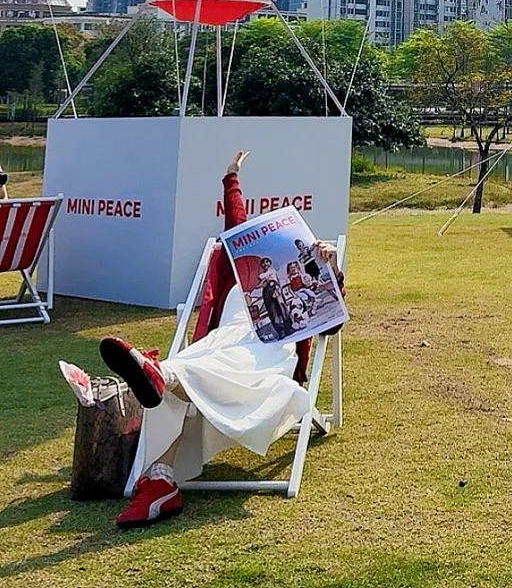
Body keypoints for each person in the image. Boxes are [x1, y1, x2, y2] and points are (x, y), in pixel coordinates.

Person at [90, 150, 344, 529]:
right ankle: (160, 483)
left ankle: (160, 381)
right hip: (222, 340)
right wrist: (231, 178)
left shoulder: (301, 277)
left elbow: (331, 326)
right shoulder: (237, 275)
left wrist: (332, 271)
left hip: (271, 350)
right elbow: (236, 224)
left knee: (191, 371)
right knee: (192, 362)